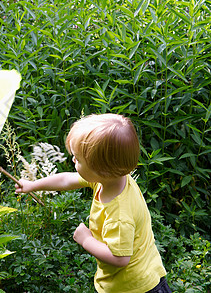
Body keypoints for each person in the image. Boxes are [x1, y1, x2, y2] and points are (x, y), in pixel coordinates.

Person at [15, 113, 171, 293]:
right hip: (136, 276)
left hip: (135, 287)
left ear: (102, 170)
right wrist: (33, 185)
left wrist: (86, 239)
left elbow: (120, 258)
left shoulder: (119, 215)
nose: (73, 160)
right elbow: (66, 180)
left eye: (78, 159)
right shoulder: (111, 178)